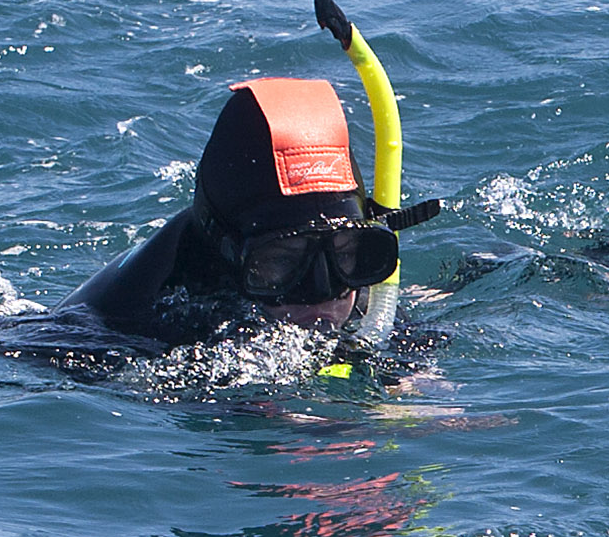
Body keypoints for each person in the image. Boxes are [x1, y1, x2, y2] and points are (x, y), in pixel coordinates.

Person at [61, 76, 426, 347]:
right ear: (229, 254)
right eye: (282, 263)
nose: (322, 294)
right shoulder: (122, 321)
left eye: (347, 254)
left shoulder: (345, 287)